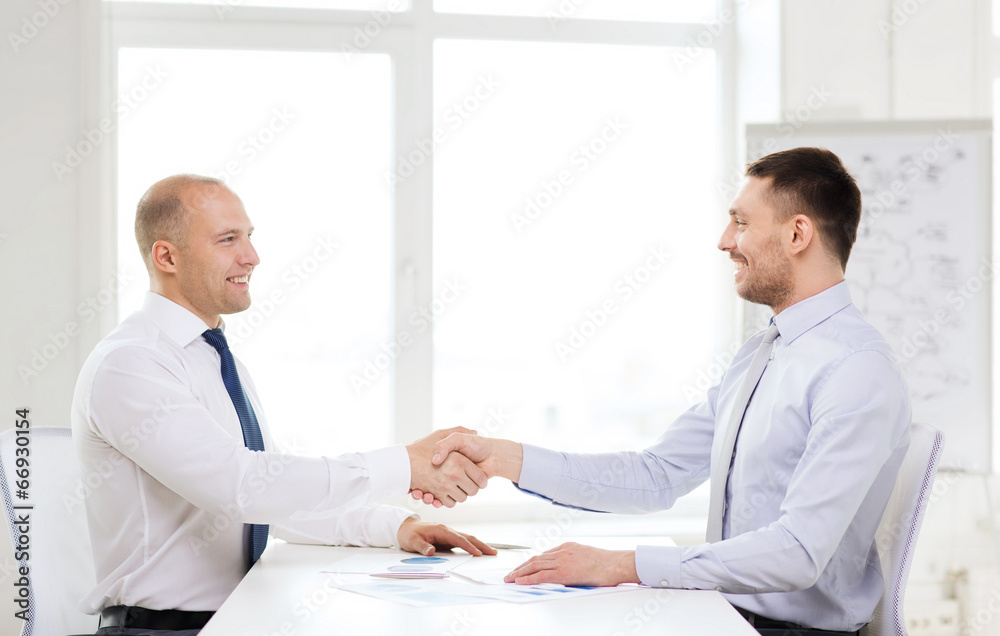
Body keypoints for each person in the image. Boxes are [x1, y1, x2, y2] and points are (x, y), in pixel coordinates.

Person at [415, 147, 911, 636]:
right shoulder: (763, 352)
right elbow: (657, 475)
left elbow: (798, 551)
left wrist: (622, 564)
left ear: (797, 233)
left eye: (740, 222)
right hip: (729, 616)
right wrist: (503, 459)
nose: (724, 241)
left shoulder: (856, 371)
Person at [71, 174, 495, 636]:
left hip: (237, 620)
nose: (251, 256)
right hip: (161, 630)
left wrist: (395, 527)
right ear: (167, 256)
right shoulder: (130, 364)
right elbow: (242, 488)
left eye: (249, 237)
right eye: (228, 239)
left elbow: (273, 495)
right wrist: (405, 465)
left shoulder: (213, 358)